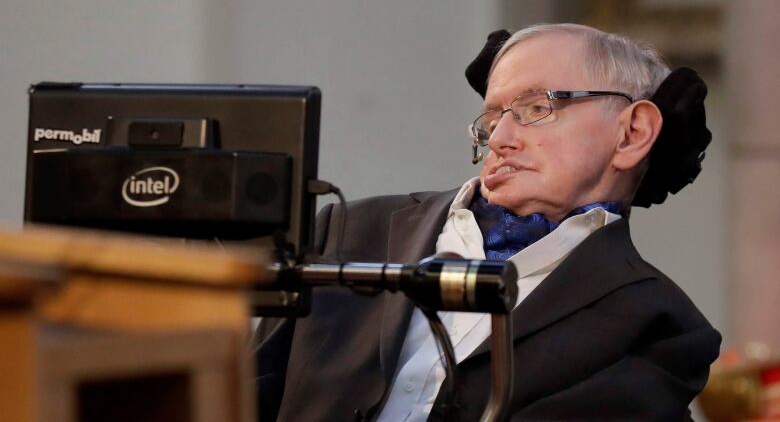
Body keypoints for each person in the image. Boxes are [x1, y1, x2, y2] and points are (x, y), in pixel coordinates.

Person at [254, 23, 721, 421]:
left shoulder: (658, 326)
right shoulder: (350, 229)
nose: (500, 137)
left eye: (537, 108)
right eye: (493, 116)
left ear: (632, 133)